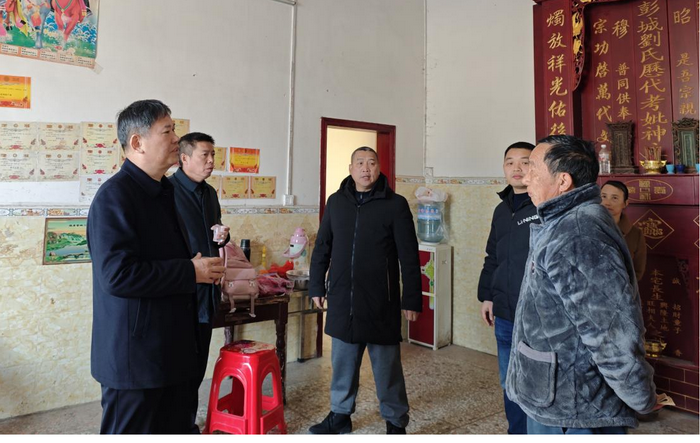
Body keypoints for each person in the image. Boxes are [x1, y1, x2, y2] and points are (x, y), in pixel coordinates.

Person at [87, 100, 225, 434]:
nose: (177, 138)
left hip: (170, 350)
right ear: (137, 143)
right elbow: (117, 276)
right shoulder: (115, 197)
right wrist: (191, 271)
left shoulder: (162, 191)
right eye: (167, 131)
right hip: (135, 360)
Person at [505, 135, 658, 434]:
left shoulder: (578, 232)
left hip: (577, 405)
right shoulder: (562, 220)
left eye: (533, 167)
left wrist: (640, 397)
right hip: (556, 392)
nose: (525, 176)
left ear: (563, 181)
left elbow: (609, 331)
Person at [308, 146, 422, 435]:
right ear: (350, 168)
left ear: (379, 168)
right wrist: (316, 285)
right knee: (342, 364)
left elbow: (409, 255)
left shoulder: (395, 204)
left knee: (387, 368)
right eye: (359, 163)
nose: (365, 168)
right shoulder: (336, 202)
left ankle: (395, 421)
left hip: (381, 300)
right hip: (342, 298)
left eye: (371, 163)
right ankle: (340, 415)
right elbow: (322, 246)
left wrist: (411, 299)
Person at [169, 132, 230, 433]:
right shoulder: (167, 191)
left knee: (196, 366)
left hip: (208, 291)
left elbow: (213, 234)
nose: (211, 161)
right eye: (204, 155)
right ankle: (174, 426)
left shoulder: (209, 194)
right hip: (180, 293)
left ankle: (187, 424)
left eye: (212, 155)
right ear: (184, 158)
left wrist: (223, 236)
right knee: (177, 368)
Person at [477, 141, 537, 434]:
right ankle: (516, 432)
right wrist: (487, 296)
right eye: (510, 162)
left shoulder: (544, 206)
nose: (517, 168)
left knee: (536, 383)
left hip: (536, 314)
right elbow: (493, 256)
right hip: (504, 312)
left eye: (525, 161)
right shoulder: (501, 210)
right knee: (508, 380)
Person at [601, 180, 647, 281]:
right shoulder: (588, 226)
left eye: (614, 198)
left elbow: (638, 271)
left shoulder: (635, 234)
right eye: (603, 196)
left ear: (625, 203)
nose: (607, 203)